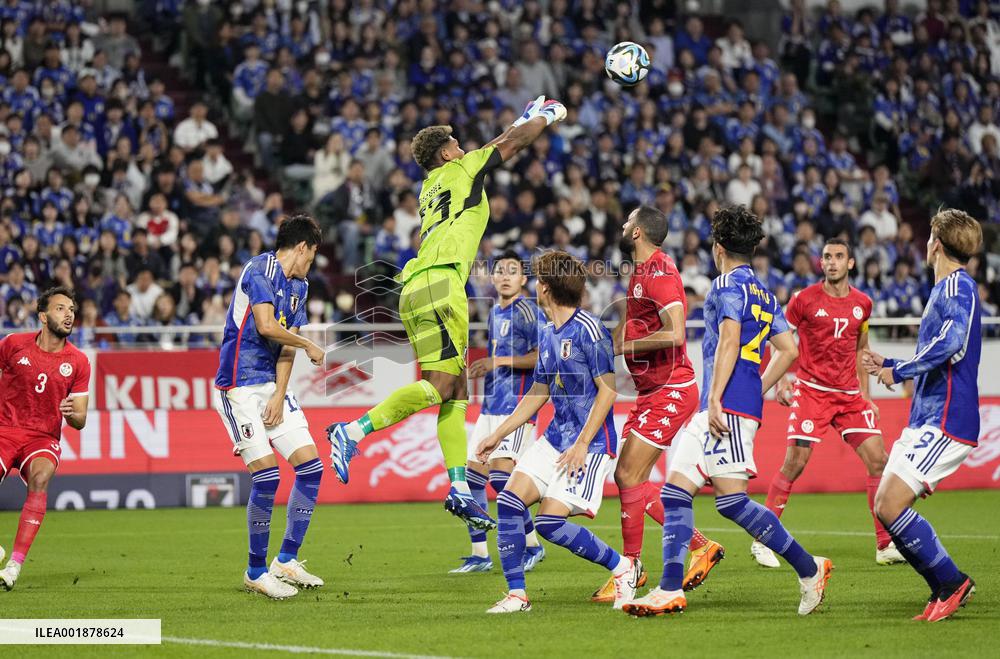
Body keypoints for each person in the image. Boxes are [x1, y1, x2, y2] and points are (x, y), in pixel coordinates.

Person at [326, 95, 567, 530]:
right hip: (442, 285)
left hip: (418, 285)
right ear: (446, 153)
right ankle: (352, 432)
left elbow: (498, 143)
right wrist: (547, 117)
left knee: (455, 391)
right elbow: (510, 146)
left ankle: (458, 488)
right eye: (456, 143)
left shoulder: (432, 184)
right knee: (439, 387)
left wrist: (522, 118)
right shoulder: (460, 168)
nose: (462, 147)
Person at [625, 205, 832, 617]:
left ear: (718, 247)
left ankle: (811, 569)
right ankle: (669, 589)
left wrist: (719, 396)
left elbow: (729, 340)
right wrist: (757, 387)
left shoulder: (724, 286)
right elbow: (789, 349)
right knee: (675, 490)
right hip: (727, 403)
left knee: (732, 503)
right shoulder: (763, 291)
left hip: (726, 406)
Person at [474, 251, 641, 613]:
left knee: (549, 524)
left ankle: (623, 568)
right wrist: (497, 434)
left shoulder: (589, 331)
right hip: (554, 439)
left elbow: (609, 391)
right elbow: (539, 392)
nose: (536, 286)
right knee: (508, 500)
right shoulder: (548, 331)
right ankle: (517, 595)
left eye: (537, 280)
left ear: (545, 288)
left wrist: (582, 445)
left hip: (591, 445)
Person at [591, 207, 724, 605]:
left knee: (629, 472)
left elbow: (676, 332)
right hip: (651, 390)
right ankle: (697, 546)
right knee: (628, 476)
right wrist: (604, 344)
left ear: (637, 232)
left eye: (626, 220)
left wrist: (624, 346)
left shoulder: (661, 272)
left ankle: (629, 569)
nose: (621, 224)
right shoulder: (640, 272)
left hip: (672, 387)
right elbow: (633, 327)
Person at [752, 238, 905, 569]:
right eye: (827, 257)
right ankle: (762, 539)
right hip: (811, 391)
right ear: (820, 263)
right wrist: (780, 381)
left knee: (879, 461)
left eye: (839, 256)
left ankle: (884, 544)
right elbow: (779, 341)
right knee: (795, 462)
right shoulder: (803, 300)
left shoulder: (863, 303)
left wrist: (867, 397)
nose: (832, 262)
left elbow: (860, 350)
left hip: (849, 395)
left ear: (850, 263)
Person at [862, 209, 982, 622]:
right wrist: (894, 361)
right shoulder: (946, 289)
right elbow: (940, 352)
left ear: (935, 243)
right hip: (928, 417)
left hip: (947, 418)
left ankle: (951, 583)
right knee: (885, 504)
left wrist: (900, 369)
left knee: (890, 504)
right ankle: (942, 588)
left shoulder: (957, 287)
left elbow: (951, 345)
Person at [213, 214, 327, 600]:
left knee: (311, 467)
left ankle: (286, 561)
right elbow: (265, 325)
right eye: (311, 256)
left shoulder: (301, 287)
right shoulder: (258, 269)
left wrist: (280, 395)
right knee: (267, 477)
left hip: (270, 387)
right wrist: (309, 344)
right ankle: (256, 571)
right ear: (301, 247)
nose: (310, 264)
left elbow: (287, 345)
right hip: (239, 387)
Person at [452, 251, 545, 574]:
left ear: (523, 279)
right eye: (500, 271)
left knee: (502, 479)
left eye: (512, 271)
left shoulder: (529, 311)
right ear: (493, 278)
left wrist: (498, 362)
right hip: (491, 405)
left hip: (517, 407)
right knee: (471, 477)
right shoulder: (495, 312)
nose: (505, 276)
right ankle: (480, 553)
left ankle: (532, 544)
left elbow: (540, 358)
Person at [0, 287, 90, 590]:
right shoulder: (13, 345)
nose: (69, 315)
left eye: (72, 310)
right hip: (4, 429)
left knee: (40, 478)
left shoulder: (78, 361)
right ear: (43, 316)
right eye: (61, 309)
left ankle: (14, 565)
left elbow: (80, 419)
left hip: (42, 437)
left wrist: (70, 414)